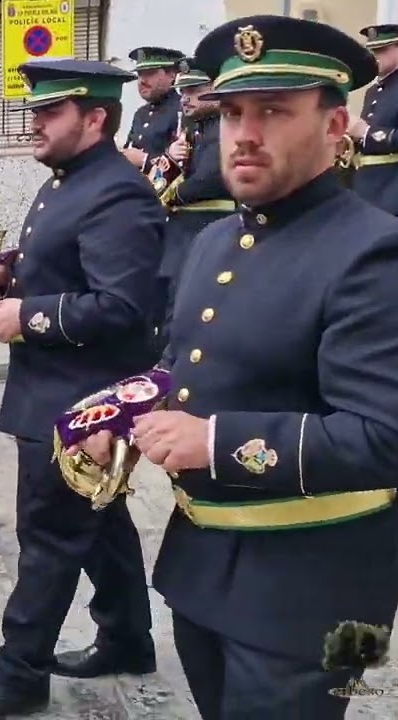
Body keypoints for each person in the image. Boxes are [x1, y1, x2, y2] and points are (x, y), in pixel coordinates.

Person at [75, 16, 398, 717]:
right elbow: (181, 367)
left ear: (336, 123)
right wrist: (116, 412)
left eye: (275, 112)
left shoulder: (374, 253)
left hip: (320, 589)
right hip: (204, 567)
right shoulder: (217, 239)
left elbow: (384, 438)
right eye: (232, 113)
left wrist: (211, 441)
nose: (244, 133)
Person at [0, 59, 164, 716]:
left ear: (95, 118)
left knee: (48, 536)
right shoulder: (69, 181)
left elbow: (125, 306)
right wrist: (13, 273)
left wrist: (29, 316)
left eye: (50, 111)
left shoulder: (116, 193)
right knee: (98, 525)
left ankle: (19, 674)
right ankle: (127, 636)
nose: (33, 122)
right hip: (59, 387)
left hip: (80, 402)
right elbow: (74, 264)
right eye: (34, 110)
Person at [154, 56, 234, 349]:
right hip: (180, 232)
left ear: (213, 88)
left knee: (190, 309)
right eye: (183, 92)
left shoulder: (223, 128)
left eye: (193, 91)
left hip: (206, 224)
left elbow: (211, 178)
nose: (185, 99)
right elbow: (160, 180)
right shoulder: (193, 129)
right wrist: (168, 158)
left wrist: (172, 194)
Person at [349, 24, 398, 214]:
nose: (375, 56)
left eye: (382, 50)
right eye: (372, 51)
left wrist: (366, 132)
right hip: (365, 189)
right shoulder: (373, 91)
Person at [122, 46, 184, 174]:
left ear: (172, 75)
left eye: (150, 73)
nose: (142, 81)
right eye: (139, 74)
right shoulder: (141, 114)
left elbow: (184, 163)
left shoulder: (182, 110)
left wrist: (145, 160)